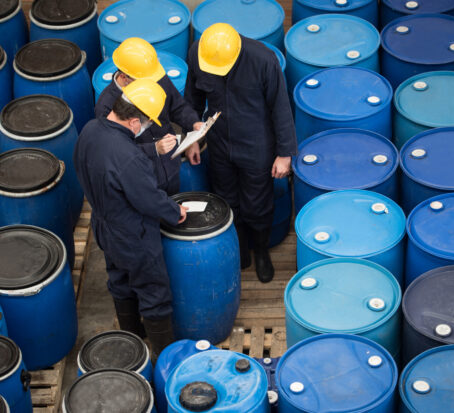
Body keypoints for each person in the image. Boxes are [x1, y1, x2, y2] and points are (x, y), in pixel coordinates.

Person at [74, 79, 187, 360]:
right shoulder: (127, 157)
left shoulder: (90, 130)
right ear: (135, 121)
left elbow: (106, 163)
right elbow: (147, 197)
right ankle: (164, 360)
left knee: (120, 281)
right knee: (154, 294)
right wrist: (175, 213)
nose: (148, 127)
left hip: (104, 226)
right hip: (134, 234)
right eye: (147, 122)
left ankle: (133, 342)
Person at [184, 23, 297, 283]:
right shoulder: (198, 54)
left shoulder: (263, 60)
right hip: (219, 141)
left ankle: (260, 253)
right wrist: (192, 139)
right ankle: (240, 250)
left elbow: (281, 107)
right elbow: (193, 99)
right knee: (226, 198)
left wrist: (284, 153)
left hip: (257, 143)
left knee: (258, 202)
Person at [95, 37, 203, 195]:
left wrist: (193, 126)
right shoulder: (106, 106)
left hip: (170, 165)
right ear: (124, 76)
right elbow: (114, 151)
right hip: (140, 178)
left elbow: (177, 107)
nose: (152, 85)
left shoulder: (154, 77)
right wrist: (154, 149)